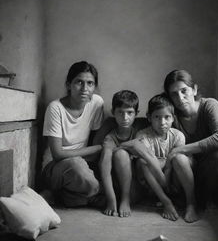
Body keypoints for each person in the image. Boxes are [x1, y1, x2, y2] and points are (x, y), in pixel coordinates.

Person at [120, 94, 198, 222]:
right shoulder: (143, 135)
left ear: (173, 118)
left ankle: (191, 203)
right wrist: (167, 164)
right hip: (152, 185)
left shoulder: (178, 136)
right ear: (149, 118)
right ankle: (166, 202)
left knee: (181, 159)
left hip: (173, 184)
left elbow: (176, 163)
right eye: (157, 117)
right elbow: (151, 163)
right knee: (143, 162)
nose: (162, 122)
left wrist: (167, 166)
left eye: (167, 117)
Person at [163, 69, 218, 209]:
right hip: (188, 167)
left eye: (184, 91)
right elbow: (153, 117)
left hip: (212, 167)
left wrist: (181, 149)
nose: (180, 98)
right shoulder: (171, 115)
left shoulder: (209, 105)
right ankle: (190, 200)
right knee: (178, 159)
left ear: (194, 89)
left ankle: (207, 198)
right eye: (174, 94)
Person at [41, 61, 104, 207]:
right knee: (81, 170)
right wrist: (95, 149)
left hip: (83, 164)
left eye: (90, 83)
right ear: (69, 85)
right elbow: (57, 154)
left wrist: (98, 152)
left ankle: (62, 197)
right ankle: (92, 193)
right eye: (79, 82)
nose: (85, 89)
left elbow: (96, 138)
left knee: (91, 170)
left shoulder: (96, 103)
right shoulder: (55, 108)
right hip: (54, 167)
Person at [99, 90, 139, 218]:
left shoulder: (140, 132)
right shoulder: (110, 138)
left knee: (122, 152)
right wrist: (111, 200)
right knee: (120, 154)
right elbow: (104, 167)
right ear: (113, 113)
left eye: (129, 113)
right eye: (120, 112)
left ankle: (126, 200)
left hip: (136, 187)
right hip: (117, 188)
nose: (125, 117)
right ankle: (116, 199)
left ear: (136, 114)